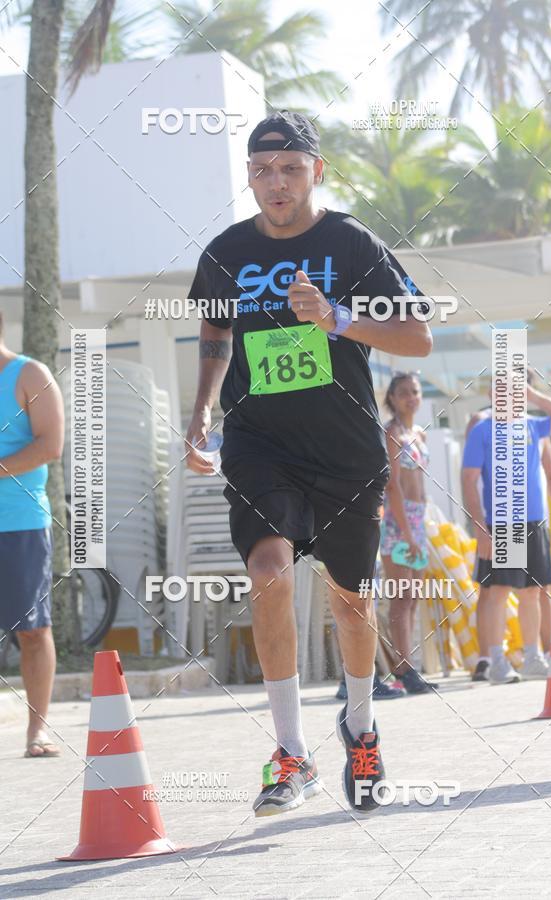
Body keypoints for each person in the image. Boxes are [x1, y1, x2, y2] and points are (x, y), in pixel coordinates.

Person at [186, 110, 432, 816]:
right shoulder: (227, 252)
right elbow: (213, 325)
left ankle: (360, 723)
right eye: (263, 171)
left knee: (351, 603)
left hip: (347, 450)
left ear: (316, 171)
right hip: (261, 444)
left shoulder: (349, 243)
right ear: (250, 178)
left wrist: (337, 320)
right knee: (267, 573)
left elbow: (418, 337)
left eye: (291, 168)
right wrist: (203, 409)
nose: (277, 182)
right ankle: (291, 752)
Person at [462, 378, 551, 685]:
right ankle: (497, 661)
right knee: (499, 591)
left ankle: (532, 657)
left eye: (515, 392)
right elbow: (468, 480)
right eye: (502, 391)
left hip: (534, 520)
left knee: (532, 591)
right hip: (502, 523)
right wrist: (480, 528)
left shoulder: (533, 426)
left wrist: (533, 394)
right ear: (490, 395)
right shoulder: (482, 430)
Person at [0, 312, 64, 756]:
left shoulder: (29, 374)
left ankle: (36, 730)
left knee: (32, 630)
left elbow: (49, 444)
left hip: (19, 523)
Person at [379, 371, 438, 693]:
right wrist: (408, 533)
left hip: (417, 519)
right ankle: (403, 668)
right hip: (398, 522)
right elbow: (393, 485)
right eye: (403, 392)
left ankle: (409, 665)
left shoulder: (419, 434)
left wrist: (422, 525)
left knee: (413, 598)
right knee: (401, 598)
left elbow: (421, 486)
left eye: (414, 391)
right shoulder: (392, 434)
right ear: (392, 397)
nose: (410, 397)